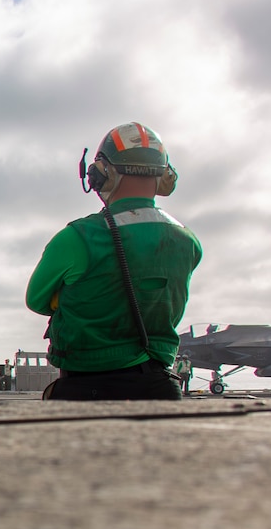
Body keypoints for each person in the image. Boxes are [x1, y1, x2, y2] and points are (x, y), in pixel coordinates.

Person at [26, 123, 202, 400]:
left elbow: (36, 300)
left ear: (101, 174)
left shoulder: (76, 238)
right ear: (166, 176)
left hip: (86, 391)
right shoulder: (188, 241)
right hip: (161, 390)